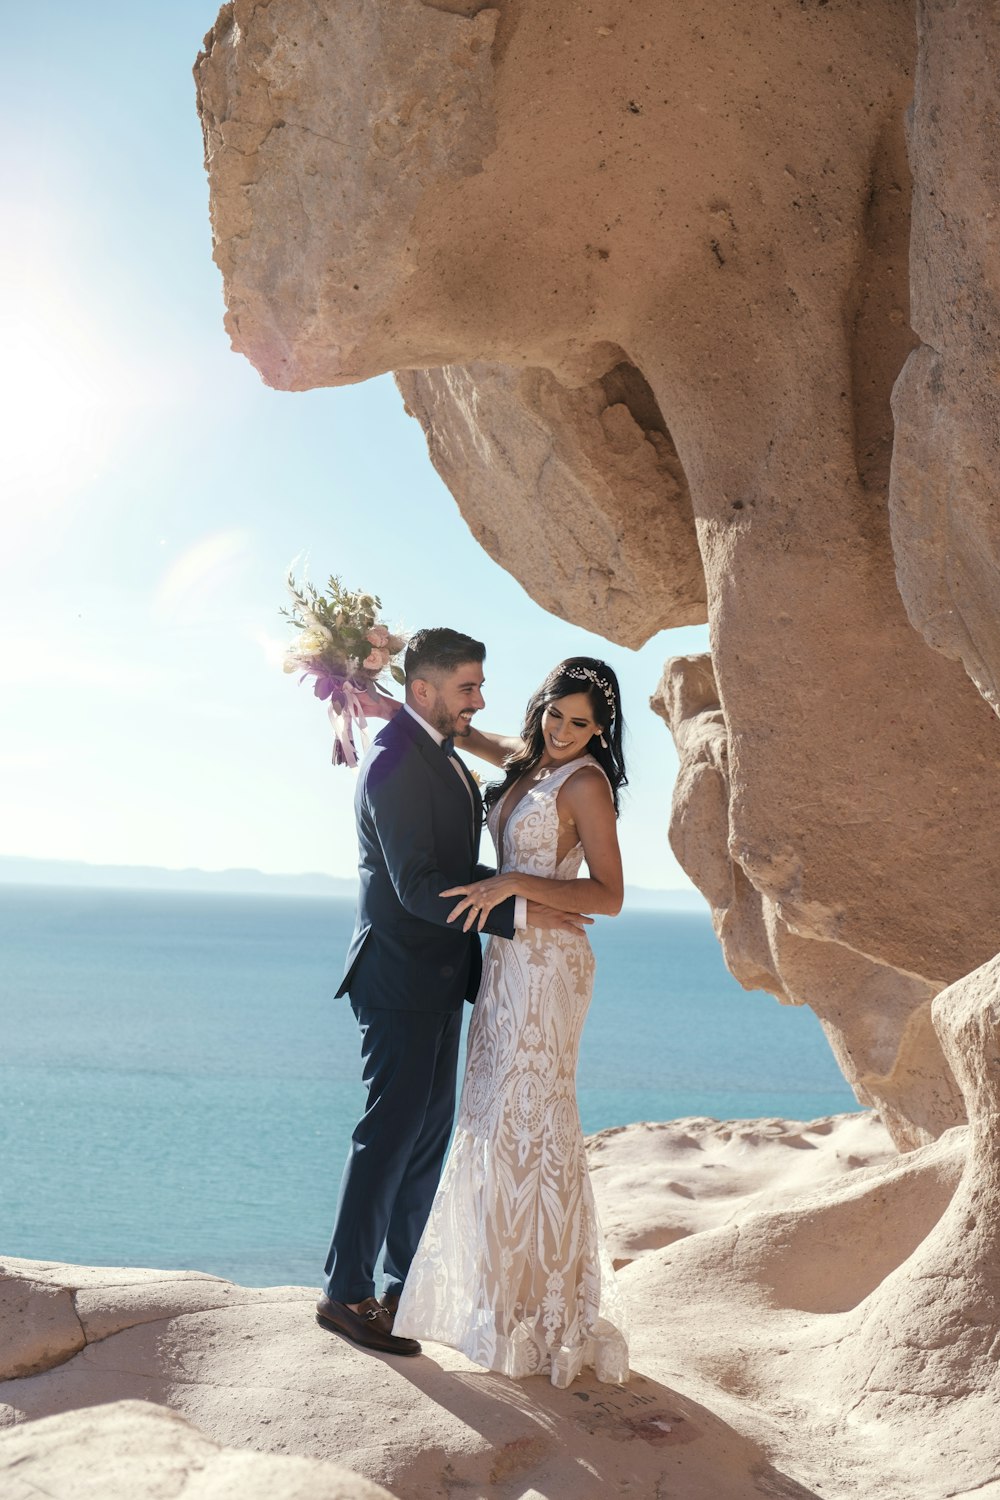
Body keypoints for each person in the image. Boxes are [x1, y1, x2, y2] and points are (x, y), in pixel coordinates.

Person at [315, 628, 588, 1356]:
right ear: (424, 691)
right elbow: (416, 888)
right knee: (388, 1135)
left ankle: (408, 1285)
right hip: (399, 975)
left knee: (426, 1136)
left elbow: (447, 858)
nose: (481, 699)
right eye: (468, 687)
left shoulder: (432, 748)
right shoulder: (394, 763)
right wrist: (523, 914)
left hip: (434, 975)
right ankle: (345, 1295)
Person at [392, 657, 631, 1386]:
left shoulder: (586, 782)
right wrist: (388, 697)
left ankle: (545, 1315)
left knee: (533, 1124)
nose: (563, 731)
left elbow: (611, 896)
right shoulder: (531, 760)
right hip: (506, 965)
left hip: (551, 970)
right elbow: (478, 737)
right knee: (494, 1122)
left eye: (580, 723)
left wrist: (514, 883)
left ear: (600, 730)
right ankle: (495, 1305)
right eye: (556, 713)